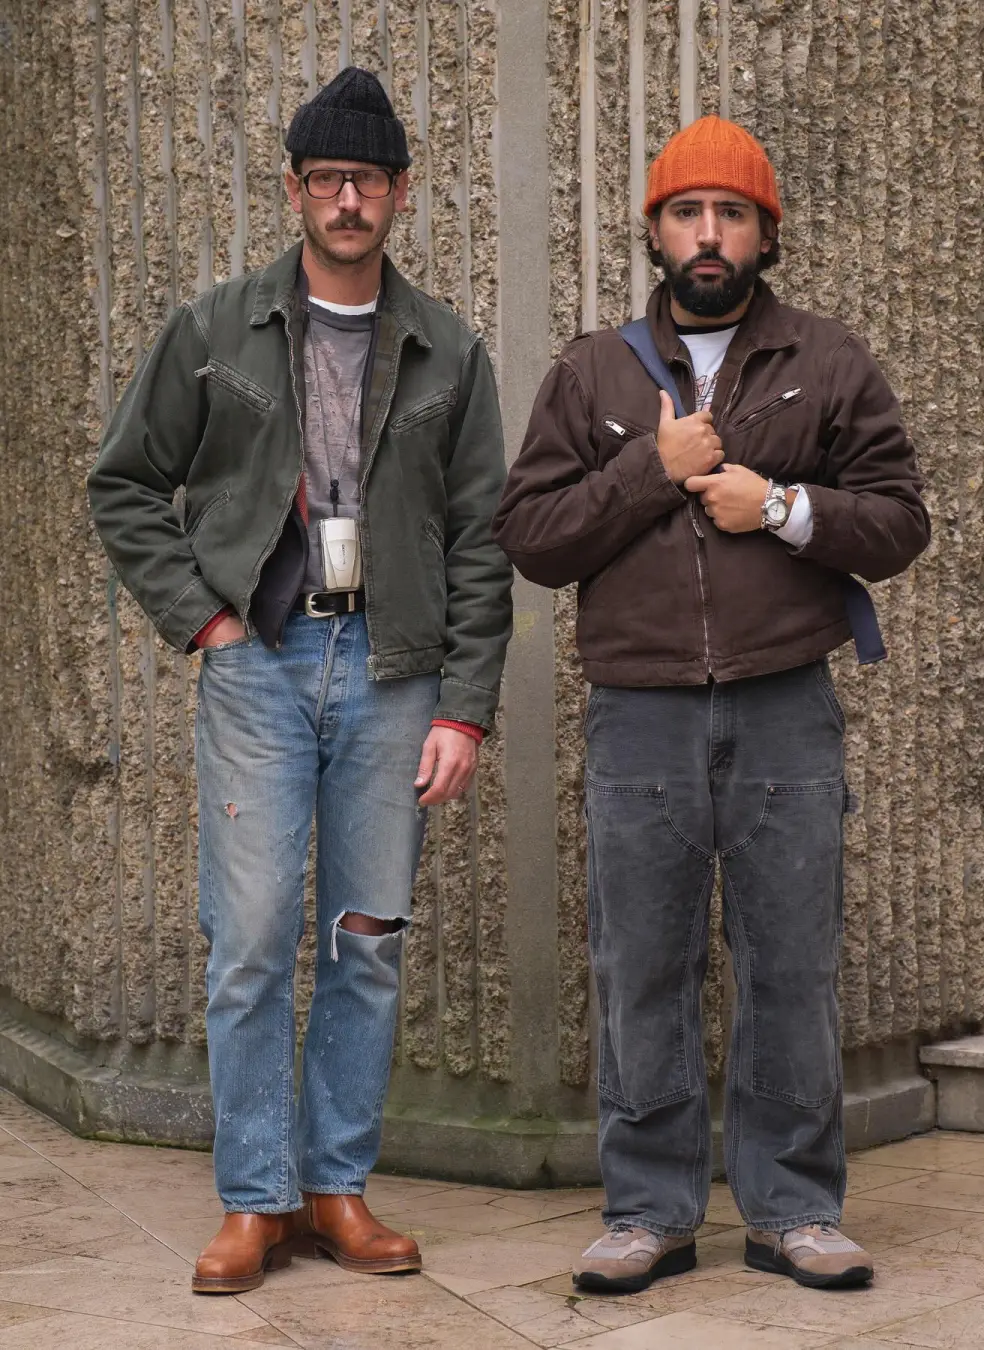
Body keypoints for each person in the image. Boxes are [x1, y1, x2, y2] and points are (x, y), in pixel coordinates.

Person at [88, 67, 513, 1294]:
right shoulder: (216, 330)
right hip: (261, 662)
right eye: (327, 179)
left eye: (366, 180)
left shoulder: (447, 348)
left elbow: (482, 537)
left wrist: (465, 706)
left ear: (400, 193)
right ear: (294, 190)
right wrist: (206, 623)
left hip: (394, 670)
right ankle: (254, 1199)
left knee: (365, 940)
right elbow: (125, 483)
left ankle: (335, 1189)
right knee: (253, 940)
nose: (347, 200)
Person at [493, 116, 930, 1295]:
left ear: (764, 235)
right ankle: (648, 1211)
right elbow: (530, 538)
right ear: (654, 230)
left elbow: (900, 521)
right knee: (641, 965)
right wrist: (655, 468)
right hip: (639, 713)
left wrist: (781, 507)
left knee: (791, 962)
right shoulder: (592, 371)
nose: (708, 233)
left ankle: (795, 1210)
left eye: (732, 214)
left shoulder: (826, 360)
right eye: (687, 211)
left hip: (786, 703)